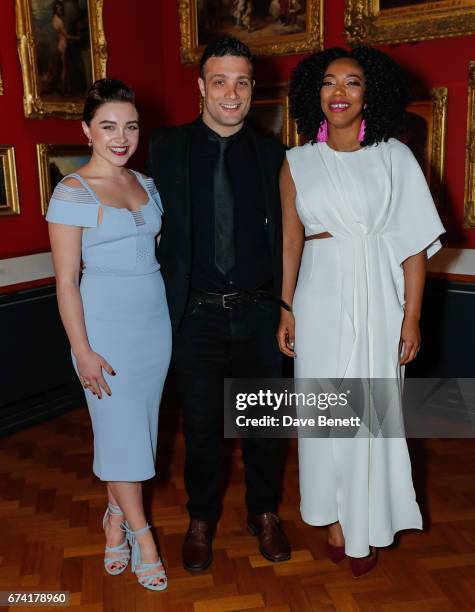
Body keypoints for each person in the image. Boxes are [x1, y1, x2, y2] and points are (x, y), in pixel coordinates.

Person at [277, 47, 445, 577]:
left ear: (370, 94)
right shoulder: (296, 161)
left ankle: (367, 521)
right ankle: (333, 518)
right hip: (318, 293)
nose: (340, 93)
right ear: (315, 94)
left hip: (380, 295)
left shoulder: (394, 155)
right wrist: (286, 307)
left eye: (352, 82)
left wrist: (411, 316)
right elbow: (290, 243)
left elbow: (413, 245)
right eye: (329, 83)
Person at [148, 37, 291, 571]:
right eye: (220, 80)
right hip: (196, 315)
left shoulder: (275, 155)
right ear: (201, 87)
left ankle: (264, 513)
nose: (231, 93)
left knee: (264, 427)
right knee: (204, 428)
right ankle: (201, 519)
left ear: (253, 89)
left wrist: (285, 307)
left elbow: (290, 238)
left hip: (257, 312)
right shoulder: (165, 148)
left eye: (242, 82)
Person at [46, 79, 171, 591]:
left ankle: (114, 516)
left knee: (140, 434)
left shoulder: (146, 183)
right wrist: (82, 351)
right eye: (108, 126)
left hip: (154, 326)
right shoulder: (72, 191)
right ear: (87, 131)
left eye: (130, 126)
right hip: (105, 330)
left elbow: (155, 252)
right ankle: (143, 536)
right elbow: (65, 281)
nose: (121, 137)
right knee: (121, 436)